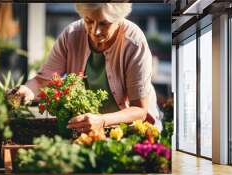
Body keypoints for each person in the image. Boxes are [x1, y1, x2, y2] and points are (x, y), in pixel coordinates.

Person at [14, 3, 160, 133]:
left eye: (104, 23)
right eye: (89, 20)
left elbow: (139, 110)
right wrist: (26, 91)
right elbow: (43, 80)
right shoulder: (71, 35)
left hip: (127, 129)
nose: (95, 31)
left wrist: (101, 120)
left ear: (119, 18)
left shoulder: (134, 43)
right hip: (85, 128)